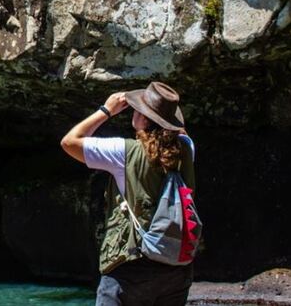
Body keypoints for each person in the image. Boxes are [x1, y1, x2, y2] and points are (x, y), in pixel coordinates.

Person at [60, 81, 196, 306]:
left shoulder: (123, 152)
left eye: (137, 109)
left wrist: (106, 110)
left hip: (131, 268)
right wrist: (165, 116)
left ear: (143, 118)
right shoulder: (186, 149)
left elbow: (69, 142)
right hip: (176, 268)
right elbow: (179, 133)